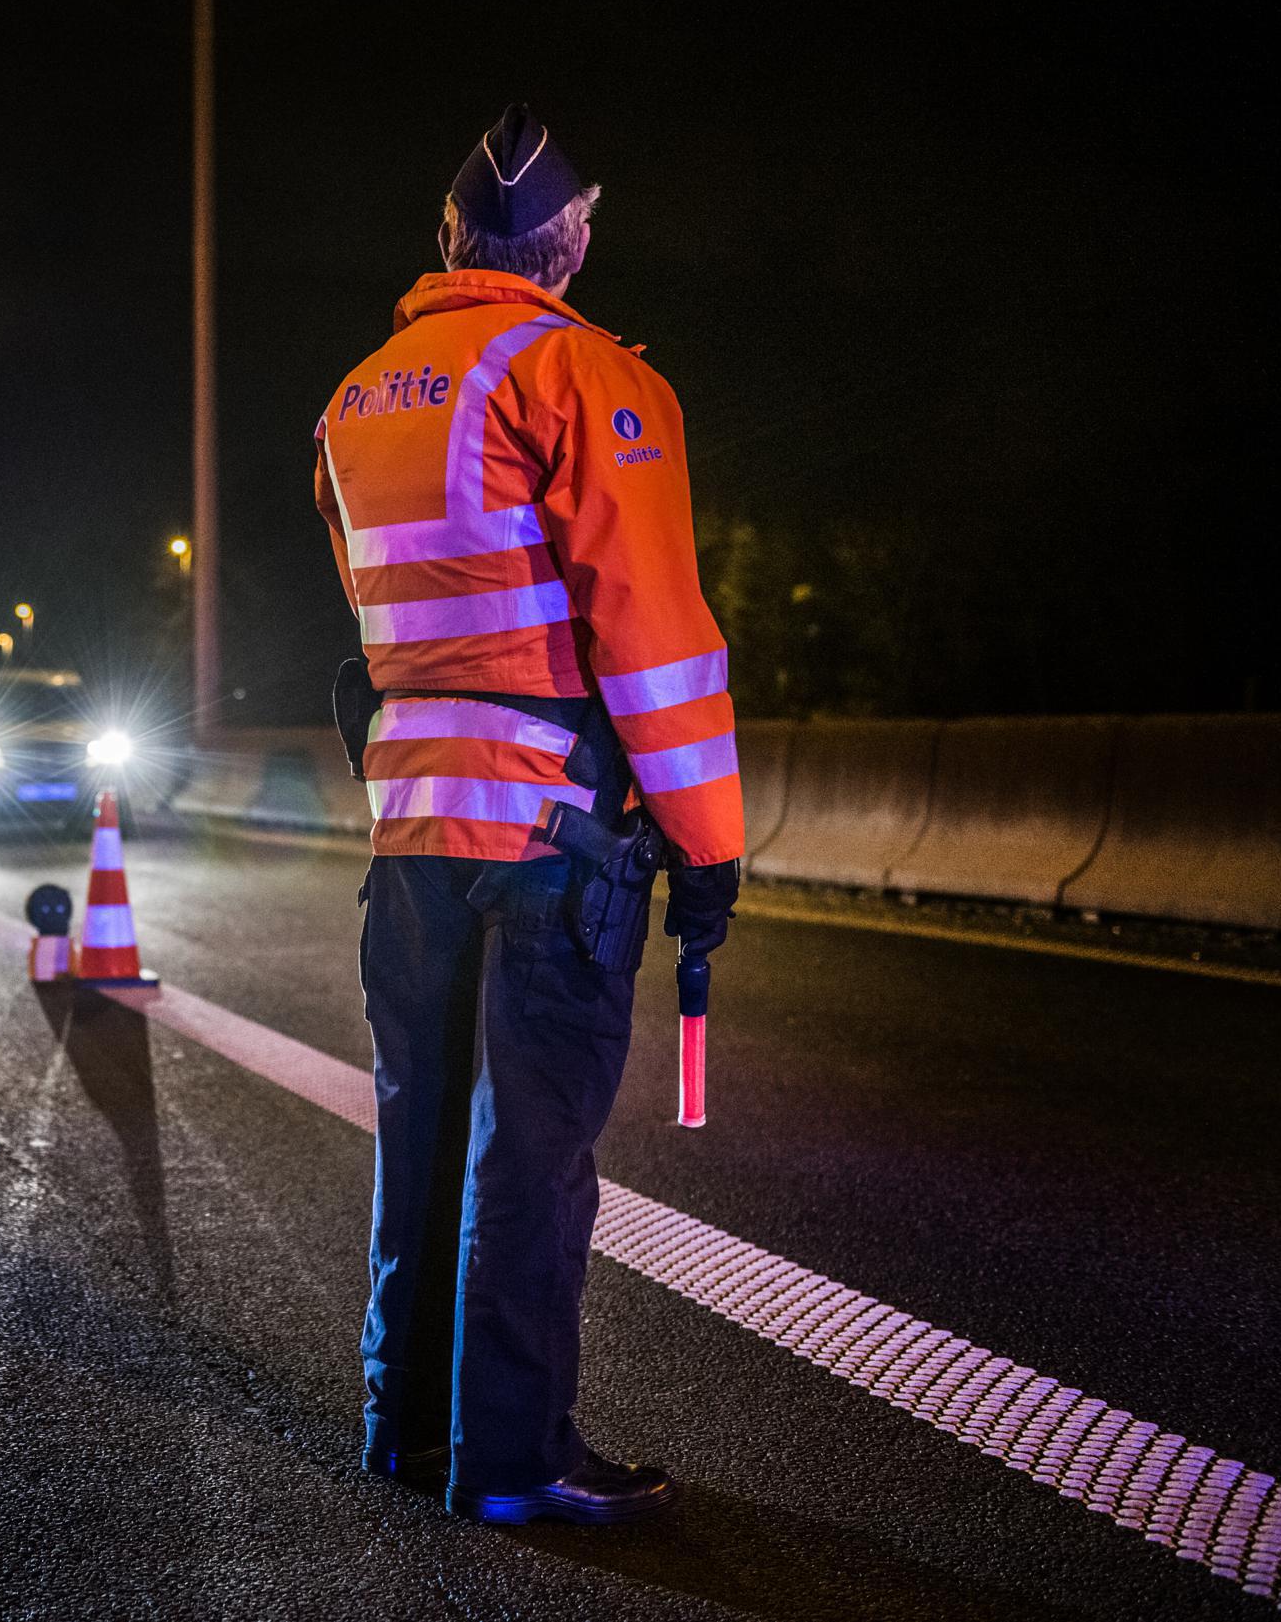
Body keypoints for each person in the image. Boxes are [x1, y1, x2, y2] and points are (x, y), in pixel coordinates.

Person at [314, 103, 745, 1525]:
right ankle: (512, 1459)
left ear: (445, 236)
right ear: (575, 235)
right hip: (552, 841)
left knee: (419, 1130)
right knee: (532, 1155)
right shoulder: (583, 375)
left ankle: (406, 1427)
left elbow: (402, 630)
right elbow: (650, 632)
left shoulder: (358, 398)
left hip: (408, 840)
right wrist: (707, 840)